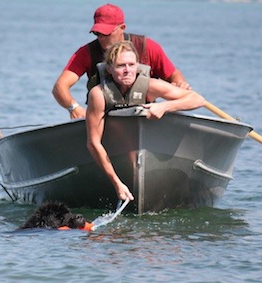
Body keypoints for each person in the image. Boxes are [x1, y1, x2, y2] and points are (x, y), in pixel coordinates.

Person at [86, 41, 205, 201]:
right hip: (115, 142)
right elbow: (93, 143)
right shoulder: (98, 94)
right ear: (109, 69)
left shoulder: (150, 86)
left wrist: (165, 106)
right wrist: (117, 183)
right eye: (121, 66)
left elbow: (198, 99)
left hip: (145, 141)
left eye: (131, 64)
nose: (127, 70)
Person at [52, 3, 190, 119]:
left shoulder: (147, 47)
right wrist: (73, 107)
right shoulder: (87, 52)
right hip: (105, 117)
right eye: (97, 33)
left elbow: (173, 75)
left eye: (106, 33)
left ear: (122, 28)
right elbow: (59, 87)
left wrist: (179, 83)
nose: (101, 37)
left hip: (144, 115)